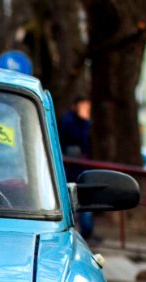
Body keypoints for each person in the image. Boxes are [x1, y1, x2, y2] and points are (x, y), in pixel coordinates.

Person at [59, 96, 94, 240]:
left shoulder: (84, 123)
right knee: (76, 200)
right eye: (83, 106)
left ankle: (87, 231)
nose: (86, 109)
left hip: (82, 166)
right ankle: (81, 230)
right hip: (72, 168)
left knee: (84, 201)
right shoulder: (69, 122)